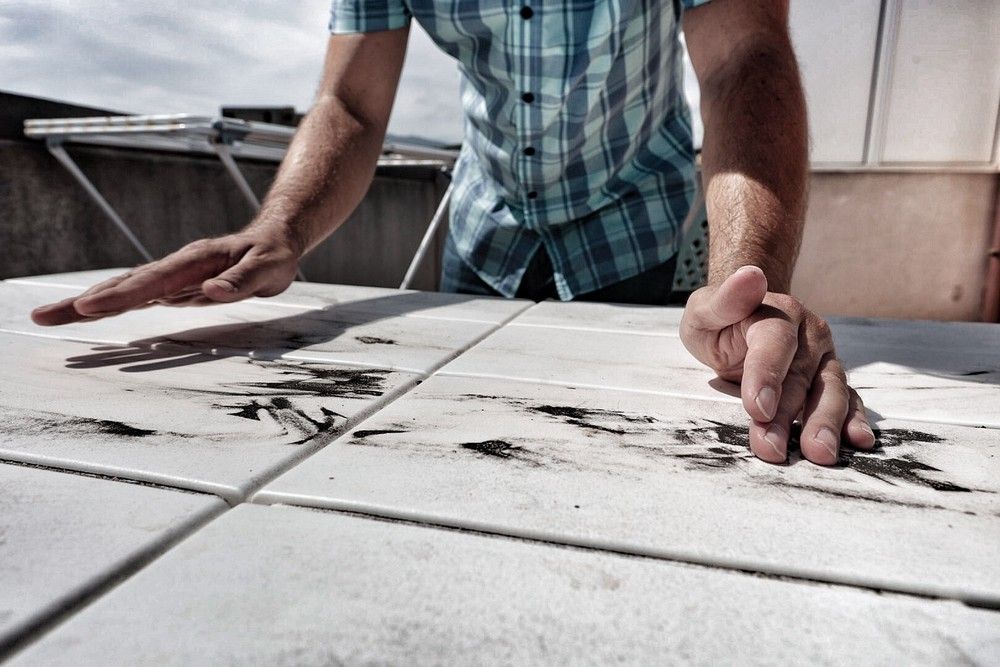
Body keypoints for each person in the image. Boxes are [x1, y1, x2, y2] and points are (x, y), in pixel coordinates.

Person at [32, 0, 876, 465]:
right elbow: (353, 102)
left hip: (637, 229)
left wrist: (747, 288)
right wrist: (279, 227)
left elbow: (741, 58)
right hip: (485, 237)